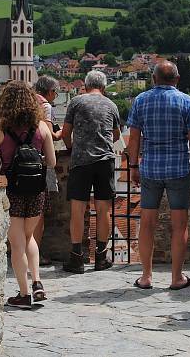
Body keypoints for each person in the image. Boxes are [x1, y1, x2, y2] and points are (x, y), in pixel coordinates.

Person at [126, 61, 190, 290]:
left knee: (147, 223)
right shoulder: (186, 101)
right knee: (179, 225)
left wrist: (133, 166)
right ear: (177, 79)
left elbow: (134, 140)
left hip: (150, 168)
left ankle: (146, 276)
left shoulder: (141, 100)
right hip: (178, 169)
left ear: (154, 79)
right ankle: (176, 277)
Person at [0, 80, 56, 308]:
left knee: (17, 244)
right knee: (29, 238)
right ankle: (37, 282)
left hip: (12, 190)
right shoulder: (41, 127)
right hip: (36, 189)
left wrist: (6, 158)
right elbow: (52, 162)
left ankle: (24, 294)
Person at [61, 71, 121, 274]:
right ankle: (101, 257)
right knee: (104, 210)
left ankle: (77, 258)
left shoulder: (76, 102)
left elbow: (65, 133)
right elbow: (116, 134)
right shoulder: (111, 105)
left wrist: (72, 148)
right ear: (103, 87)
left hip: (81, 161)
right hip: (105, 161)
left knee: (78, 210)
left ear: (86, 86)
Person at [33, 75, 62, 266]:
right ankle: (35, 253)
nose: (56, 96)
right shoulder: (46, 107)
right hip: (40, 161)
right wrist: (62, 132)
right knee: (39, 211)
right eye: (56, 92)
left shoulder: (27, 100)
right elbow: (49, 135)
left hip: (18, 162)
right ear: (50, 91)